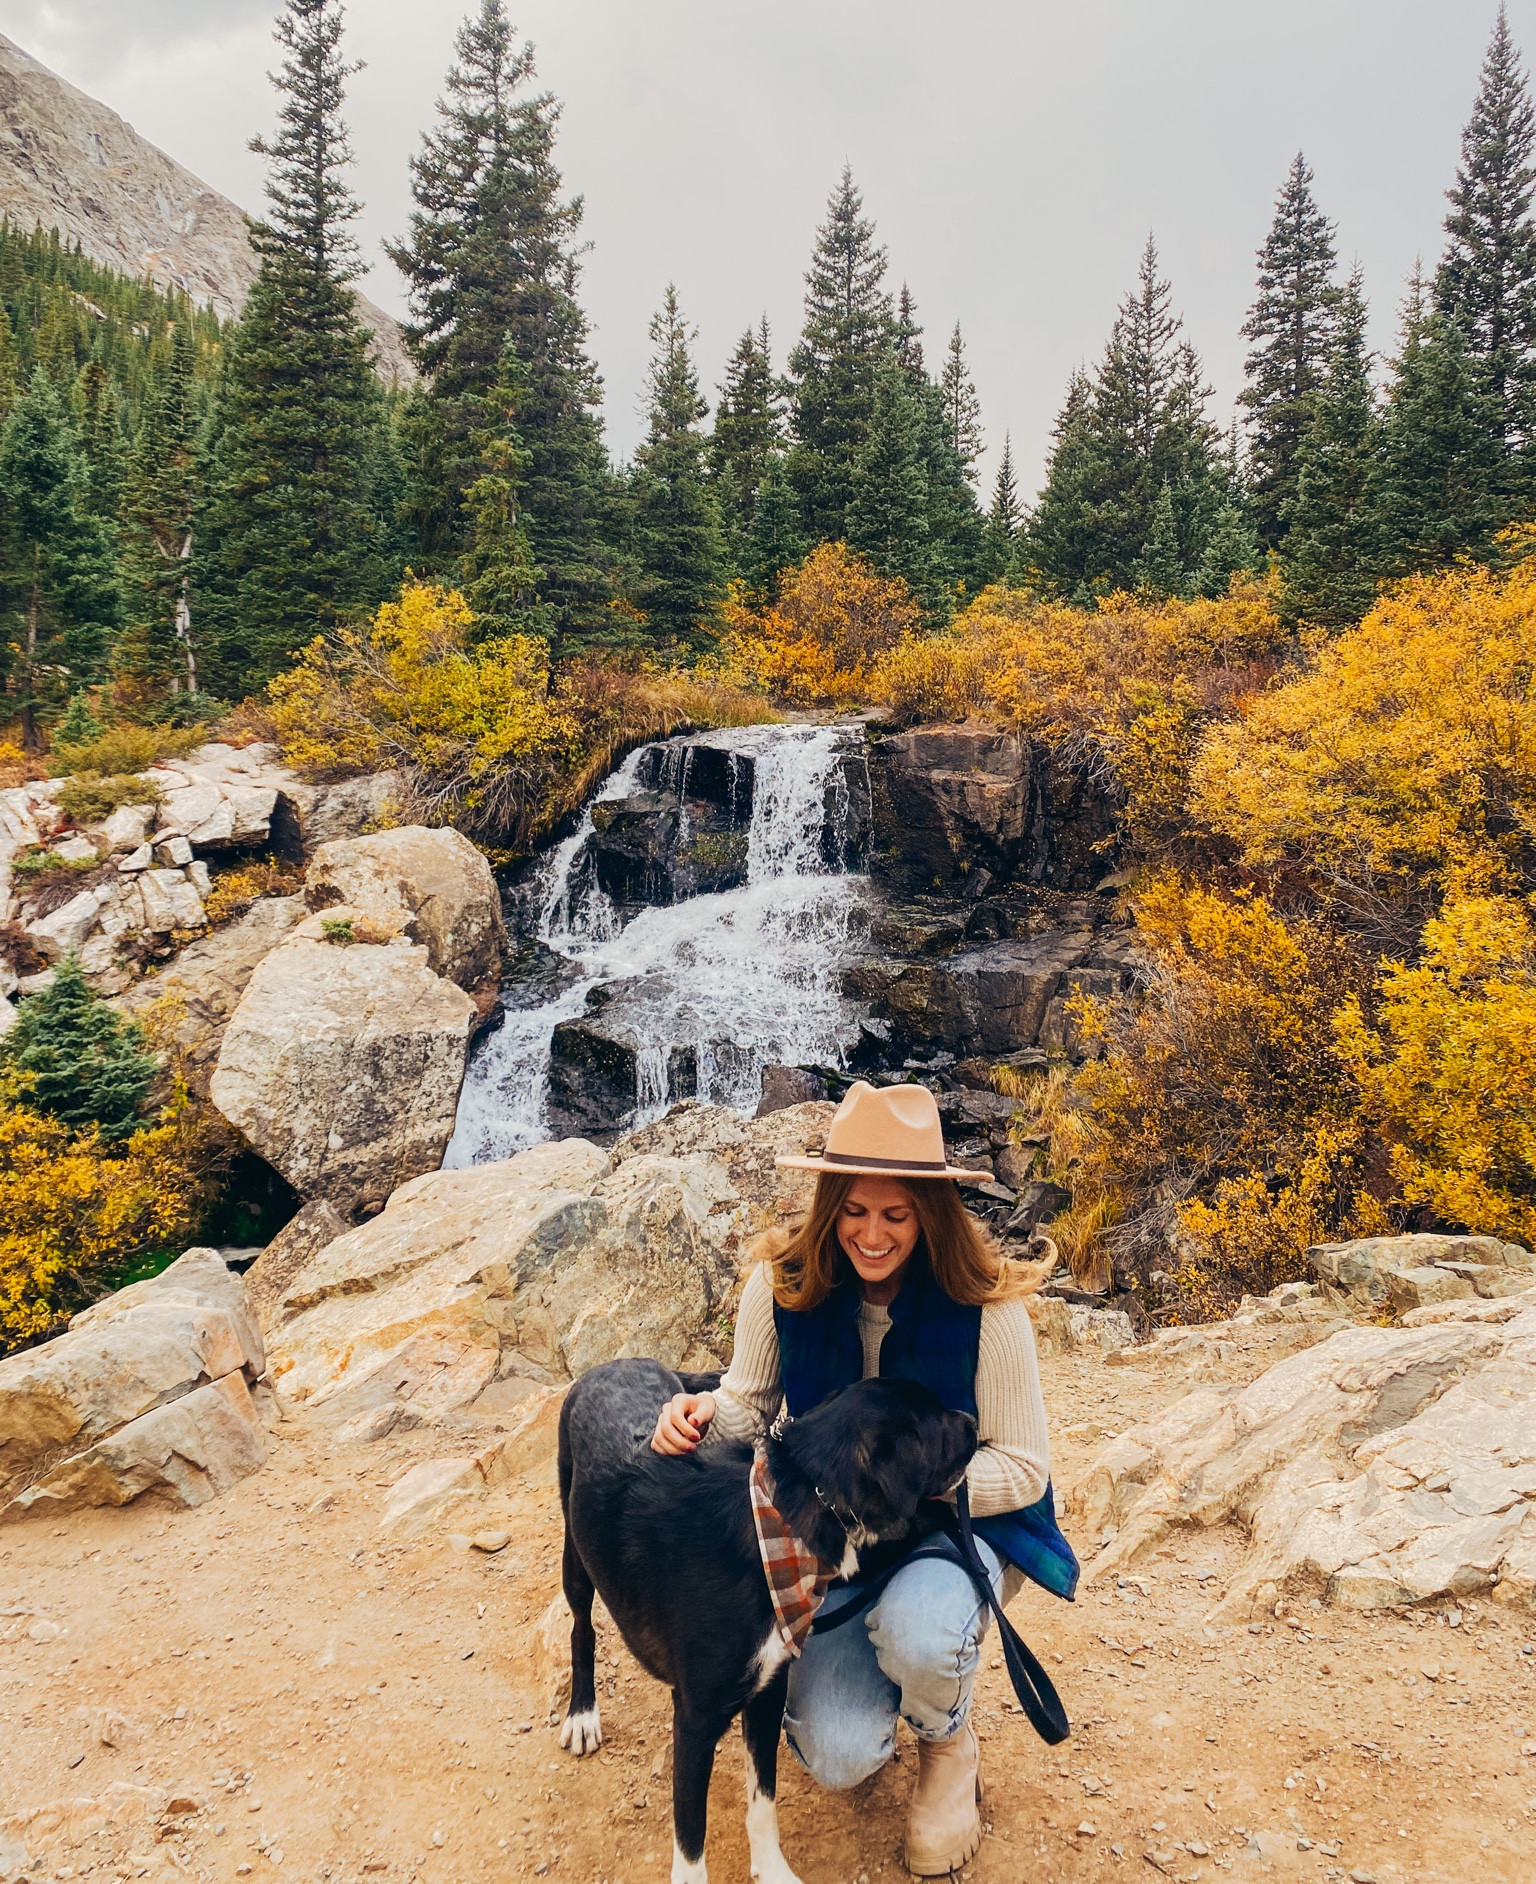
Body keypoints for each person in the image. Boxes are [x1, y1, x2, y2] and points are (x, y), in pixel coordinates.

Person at [651, 1079, 1077, 1876]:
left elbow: (1024, 1468)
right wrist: (699, 1413)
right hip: (834, 1542)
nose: (871, 1235)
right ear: (828, 1206)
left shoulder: (988, 1308)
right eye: (853, 1210)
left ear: (931, 1214)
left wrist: (910, 1490)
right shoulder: (781, 1284)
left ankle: (947, 1741)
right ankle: (895, 1687)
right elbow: (748, 1405)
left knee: (921, 1634)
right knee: (837, 1752)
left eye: (896, 1215)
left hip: (954, 1531)